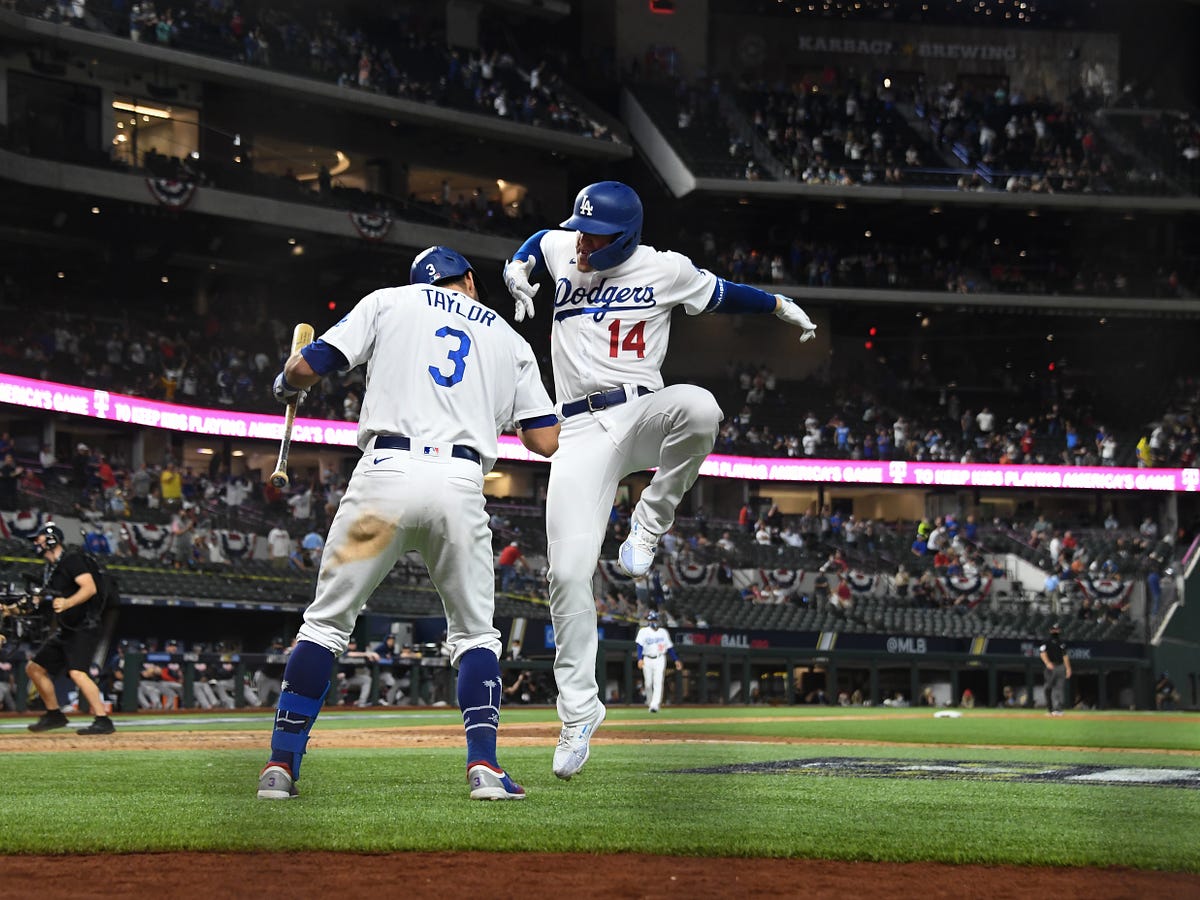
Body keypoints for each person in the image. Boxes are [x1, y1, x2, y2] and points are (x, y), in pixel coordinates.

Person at [501, 180, 817, 779]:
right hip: (578, 432)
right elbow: (543, 238)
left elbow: (725, 295)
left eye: (596, 236)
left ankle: (650, 521)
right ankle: (578, 713)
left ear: (626, 236)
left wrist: (777, 305)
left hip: (641, 410)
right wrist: (518, 264)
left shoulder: (663, 269)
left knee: (701, 407)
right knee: (566, 575)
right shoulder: (567, 245)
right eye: (581, 231)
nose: (583, 244)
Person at [257, 245, 559, 802]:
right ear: (468, 279)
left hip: (384, 477)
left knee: (325, 626)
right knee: (475, 635)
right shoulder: (509, 338)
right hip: (460, 485)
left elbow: (307, 367)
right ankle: (484, 769)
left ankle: (279, 767)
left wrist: (286, 383)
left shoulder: (389, 302)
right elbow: (545, 439)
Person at [21, 523, 116, 735]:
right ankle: (54, 714)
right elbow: (37, 598)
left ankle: (103, 720)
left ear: (52, 539)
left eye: (40, 539)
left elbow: (89, 587)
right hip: (67, 629)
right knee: (34, 668)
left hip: (84, 626)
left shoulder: (72, 560)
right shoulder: (49, 570)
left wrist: (67, 603)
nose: (37, 543)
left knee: (77, 672)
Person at [634, 611, 682, 714]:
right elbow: (639, 646)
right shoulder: (643, 631)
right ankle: (650, 701)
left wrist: (676, 660)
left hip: (660, 658)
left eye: (654, 619)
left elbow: (669, 648)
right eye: (651, 620)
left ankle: (654, 705)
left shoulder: (663, 632)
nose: (653, 622)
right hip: (647, 658)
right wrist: (640, 658)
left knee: (658, 682)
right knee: (648, 683)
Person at [1039, 623, 1072, 716]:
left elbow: (1065, 656)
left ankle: (1058, 709)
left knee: (1059, 688)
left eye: (1057, 629)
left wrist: (1068, 668)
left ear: (1059, 630)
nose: (1055, 631)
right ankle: (1050, 709)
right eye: (1053, 629)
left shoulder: (1062, 643)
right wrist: (1047, 662)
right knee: (1048, 688)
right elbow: (1042, 653)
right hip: (1050, 667)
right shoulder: (1046, 641)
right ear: (1050, 630)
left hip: (1060, 666)